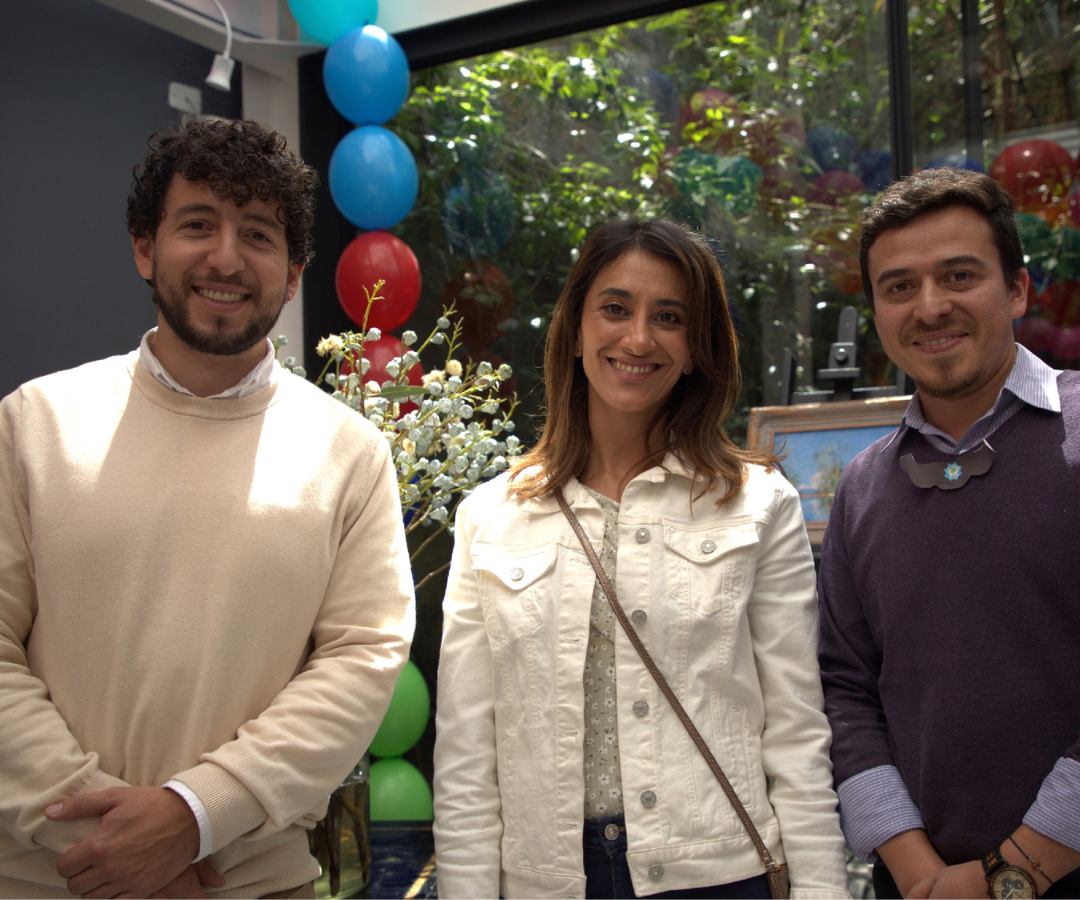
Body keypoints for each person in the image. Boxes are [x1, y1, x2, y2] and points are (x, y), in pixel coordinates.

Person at [0, 118, 415, 898]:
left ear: (292, 275)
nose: (226, 258)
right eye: (198, 225)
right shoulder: (33, 425)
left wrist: (195, 818)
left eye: (257, 235)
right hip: (46, 880)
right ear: (144, 248)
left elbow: (360, 663)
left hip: (251, 883)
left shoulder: (350, 454)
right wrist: (117, 847)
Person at [433, 216, 849, 899]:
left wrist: (822, 891)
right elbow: (467, 756)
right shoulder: (491, 516)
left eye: (669, 317)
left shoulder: (759, 504)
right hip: (549, 880)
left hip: (720, 875)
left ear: (695, 348)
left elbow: (799, 733)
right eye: (615, 309)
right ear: (574, 331)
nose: (637, 338)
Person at [818, 167, 1080, 899]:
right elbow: (845, 690)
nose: (930, 307)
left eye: (958, 275)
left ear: (1019, 290)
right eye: (899, 287)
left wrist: (1010, 875)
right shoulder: (863, 486)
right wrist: (918, 871)